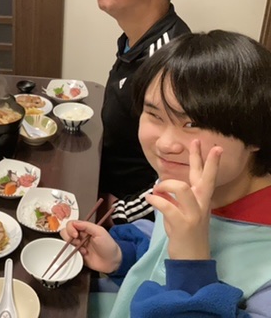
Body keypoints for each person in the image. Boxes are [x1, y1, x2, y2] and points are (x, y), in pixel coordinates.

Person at [64, 31, 271, 317]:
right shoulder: (183, 180)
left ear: (256, 132)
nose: (165, 144)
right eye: (155, 115)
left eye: (192, 124)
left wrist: (192, 261)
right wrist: (121, 256)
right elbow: (160, 248)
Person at [96, 0, 191, 207]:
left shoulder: (169, 63)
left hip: (129, 216)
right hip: (103, 186)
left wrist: (116, 212)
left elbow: (179, 177)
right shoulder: (134, 39)